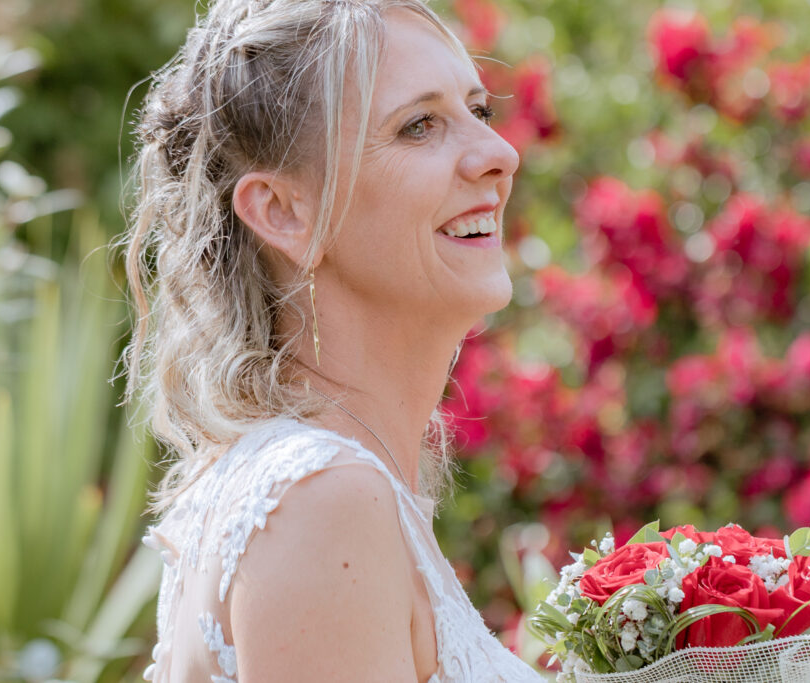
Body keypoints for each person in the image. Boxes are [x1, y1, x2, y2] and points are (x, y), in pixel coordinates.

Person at [124, 0, 545, 680]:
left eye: (479, 110)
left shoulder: (316, 485)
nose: (500, 154)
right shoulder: (324, 501)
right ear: (284, 212)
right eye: (419, 126)